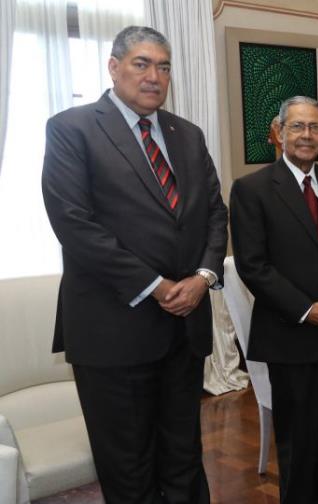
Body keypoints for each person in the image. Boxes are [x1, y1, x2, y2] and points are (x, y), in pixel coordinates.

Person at [41, 26, 227, 503]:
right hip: (112, 328)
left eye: (163, 66)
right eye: (142, 64)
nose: (154, 76)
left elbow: (214, 212)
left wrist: (203, 278)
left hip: (183, 327)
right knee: (129, 467)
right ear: (114, 67)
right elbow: (74, 224)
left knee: (183, 454)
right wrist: (158, 286)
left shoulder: (187, 134)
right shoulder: (71, 128)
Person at [230, 96, 318, 503]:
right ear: (278, 133)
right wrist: (308, 311)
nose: (306, 135)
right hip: (291, 338)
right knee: (300, 444)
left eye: (314, 127)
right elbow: (253, 267)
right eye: (297, 127)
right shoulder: (251, 189)